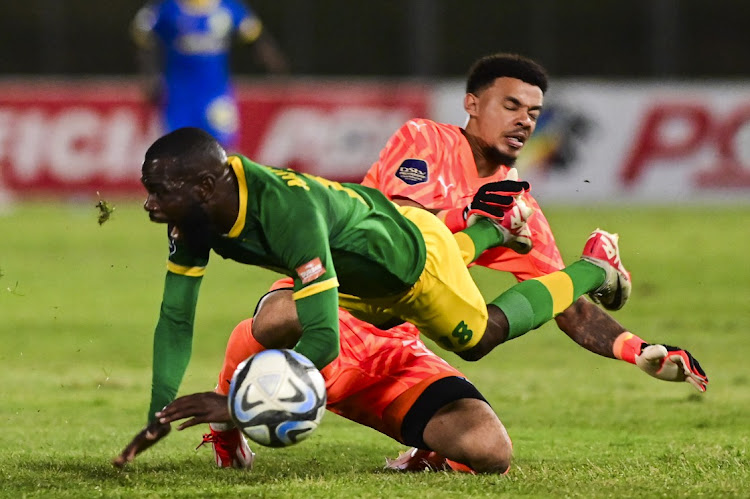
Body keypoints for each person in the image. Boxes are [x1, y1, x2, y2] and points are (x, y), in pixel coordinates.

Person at [113, 126, 633, 470]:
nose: (149, 204)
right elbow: (175, 317)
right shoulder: (194, 216)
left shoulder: (287, 212)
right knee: (280, 315)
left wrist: (235, 405)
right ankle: (493, 228)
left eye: (160, 191)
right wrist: (158, 414)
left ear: (205, 186)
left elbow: (323, 338)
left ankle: (592, 267)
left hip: (414, 266)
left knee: (479, 337)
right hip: (359, 271)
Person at [131, 0, 288, 149]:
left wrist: (275, 63)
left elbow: (255, 36)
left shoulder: (227, 7)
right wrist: (149, 76)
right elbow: (143, 34)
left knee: (224, 149)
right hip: (179, 97)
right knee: (179, 151)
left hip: (215, 95)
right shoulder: (169, 8)